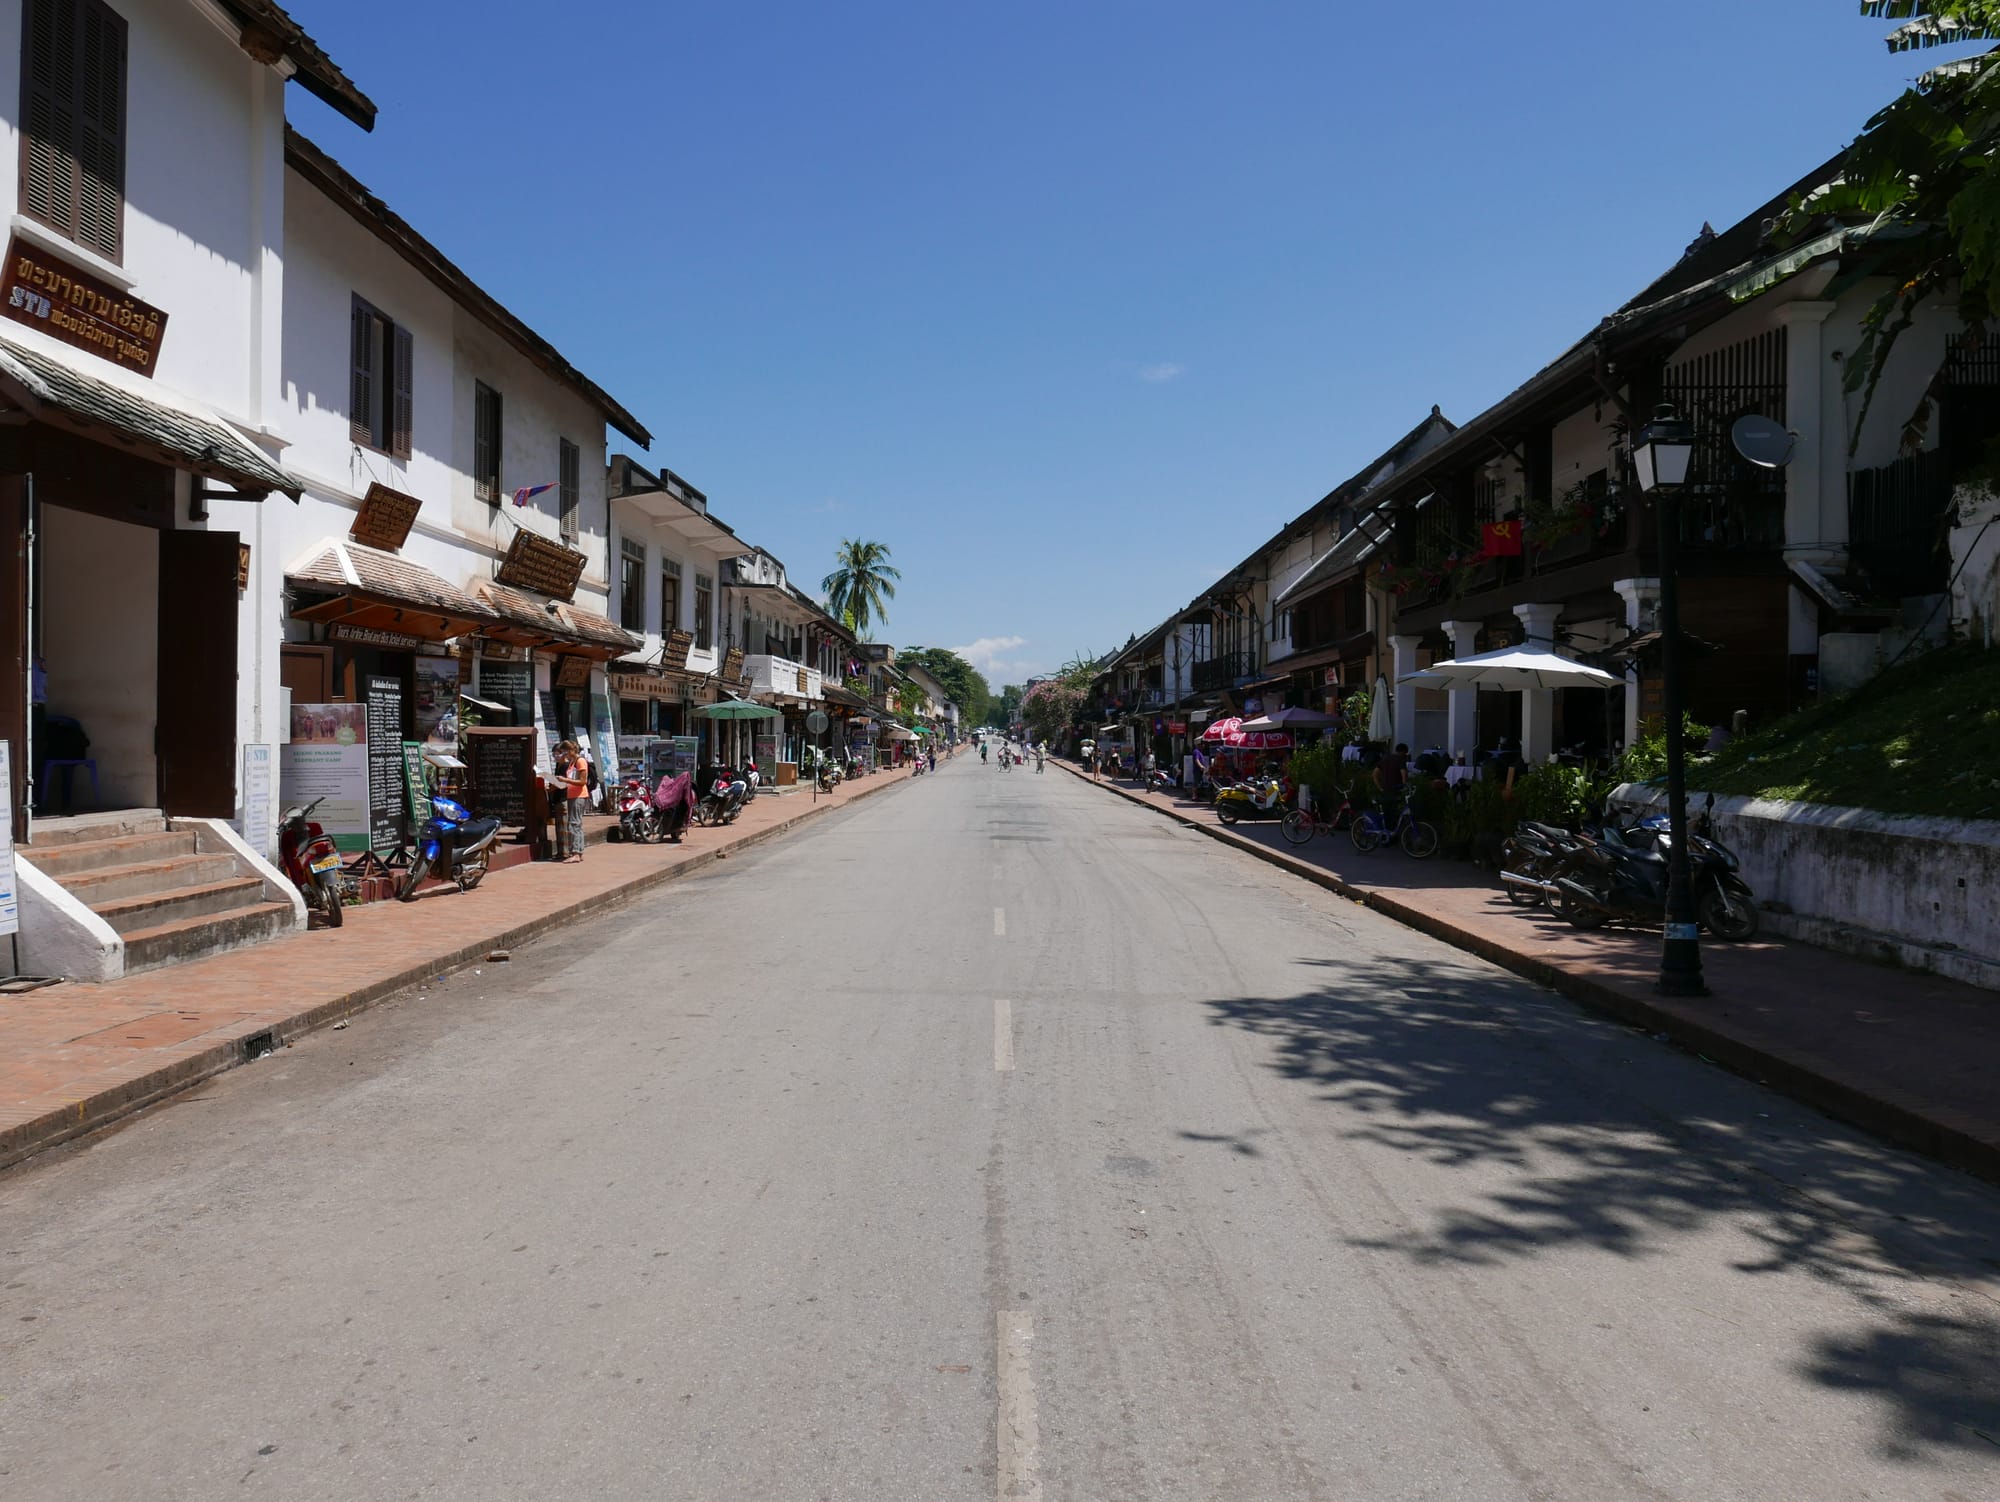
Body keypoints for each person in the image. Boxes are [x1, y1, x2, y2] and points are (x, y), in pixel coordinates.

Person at [554, 741, 588, 862]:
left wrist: (565, 780)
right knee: (574, 823)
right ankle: (578, 851)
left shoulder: (580, 761)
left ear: (570, 751)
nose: (564, 755)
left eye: (565, 752)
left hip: (579, 796)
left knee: (574, 823)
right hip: (572, 795)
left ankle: (576, 853)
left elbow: (582, 781)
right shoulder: (572, 763)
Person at [1373, 741, 1410, 817]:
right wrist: (1405, 788)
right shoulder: (1401, 760)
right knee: (1397, 812)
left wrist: (1380, 788)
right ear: (1403, 752)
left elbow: (1374, 774)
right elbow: (1404, 775)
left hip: (1385, 789)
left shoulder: (1385, 759)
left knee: (1387, 812)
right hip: (1396, 790)